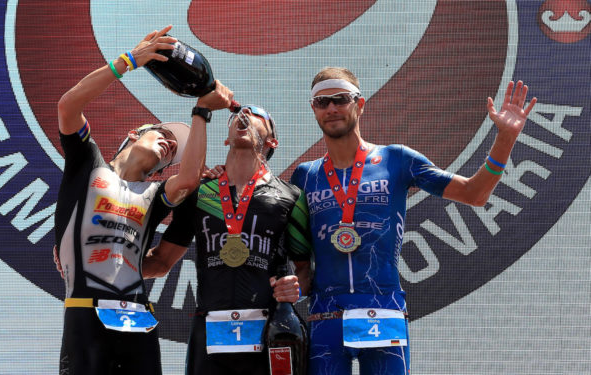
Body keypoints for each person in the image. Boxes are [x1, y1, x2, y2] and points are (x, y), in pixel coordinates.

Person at [290, 67, 537, 375]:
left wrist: (506, 137)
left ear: (360, 104)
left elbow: (474, 193)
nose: (331, 108)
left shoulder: (397, 159)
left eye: (340, 99)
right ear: (313, 110)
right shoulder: (305, 175)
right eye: (321, 102)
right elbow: (285, 240)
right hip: (324, 317)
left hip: (383, 312)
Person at [53, 25, 233, 375]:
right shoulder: (89, 165)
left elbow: (190, 177)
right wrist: (128, 62)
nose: (168, 148)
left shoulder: (153, 195)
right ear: (134, 135)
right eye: (163, 135)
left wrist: (202, 113)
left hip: (137, 315)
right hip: (85, 311)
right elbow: (68, 105)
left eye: (172, 155)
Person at [143, 105, 313, 375]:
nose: (243, 114)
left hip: (271, 332)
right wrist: (102, 267)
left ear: (272, 140)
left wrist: (297, 288)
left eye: (256, 113)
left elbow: (305, 270)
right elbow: (161, 262)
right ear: (226, 137)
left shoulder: (291, 196)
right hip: (210, 333)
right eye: (236, 114)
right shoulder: (199, 193)